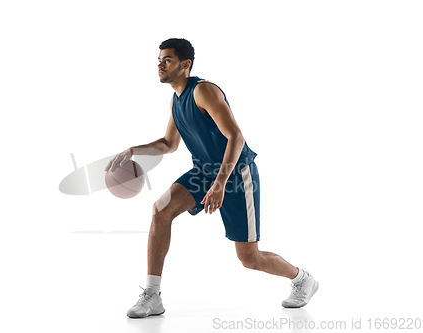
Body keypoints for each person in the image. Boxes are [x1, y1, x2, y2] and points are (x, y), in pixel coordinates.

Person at [104, 38, 318, 318]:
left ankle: (302, 280)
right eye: (159, 59)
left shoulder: (203, 91)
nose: (160, 64)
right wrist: (133, 150)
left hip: (237, 174)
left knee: (249, 259)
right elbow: (169, 143)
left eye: (166, 59)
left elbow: (236, 137)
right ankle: (152, 296)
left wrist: (220, 184)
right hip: (203, 172)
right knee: (160, 211)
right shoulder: (176, 99)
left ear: (185, 65)